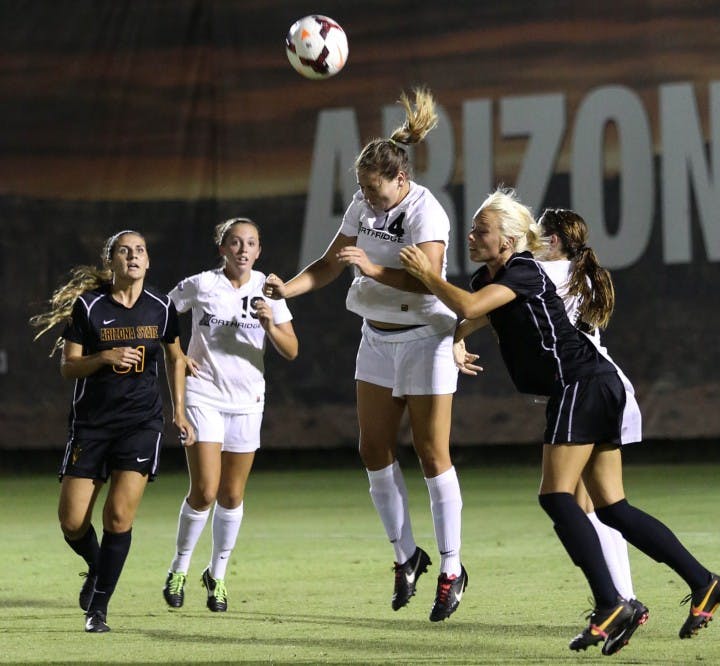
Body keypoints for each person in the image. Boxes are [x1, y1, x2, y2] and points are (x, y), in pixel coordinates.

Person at [400, 189, 720, 655]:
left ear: (511, 239)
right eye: (473, 228)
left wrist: (425, 275)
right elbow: (472, 314)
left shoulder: (524, 270)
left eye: (481, 230)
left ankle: (611, 603)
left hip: (582, 385)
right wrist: (457, 337)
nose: (472, 236)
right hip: (592, 385)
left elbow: (472, 307)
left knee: (557, 496)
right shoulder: (491, 276)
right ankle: (704, 582)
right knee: (612, 508)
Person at [263, 87, 468, 622]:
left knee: (430, 452)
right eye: (363, 190)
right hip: (376, 337)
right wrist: (291, 290)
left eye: (376, 192)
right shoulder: (362, 201)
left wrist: (373, 269)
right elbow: (332, 263)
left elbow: (427, 282)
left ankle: (451, 567)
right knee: (373, 449)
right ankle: (407, 556)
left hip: (425, 336)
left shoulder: (427, 211)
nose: (368, 199)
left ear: (401, 180)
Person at [29, 230, 194, 633]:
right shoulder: (88, 306)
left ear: (148, 261)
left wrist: (180, 412)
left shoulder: (161, 307)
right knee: (71, 522)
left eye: (140, 251)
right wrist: (103, 357)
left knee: (118, 516)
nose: (133, 257)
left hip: (141, 424)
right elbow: (69, 366)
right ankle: (97, 565)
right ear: (111, 261)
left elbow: (176, 357)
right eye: (125, 251)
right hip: (91, 425)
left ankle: (98, 609)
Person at [162, 218, 298, 613]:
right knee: (205, 490)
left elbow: (291, 350)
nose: (242, 249)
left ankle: (217, 575)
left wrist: (271, 324)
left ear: (258, 251)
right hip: (204, 396)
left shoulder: (269, 291)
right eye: (235, 242)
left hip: (247, 402)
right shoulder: (202, 284)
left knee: (232, 494)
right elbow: (162, 314)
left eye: (250, 243)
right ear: (222, 248)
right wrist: (178, 355)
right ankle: (179, 568)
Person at [534, 208, 635, 604]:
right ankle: (618, 598)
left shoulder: (549, 275)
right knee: (588, 503)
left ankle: (621, 599)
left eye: (538, 235)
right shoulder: (582, 274)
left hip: (584, 388)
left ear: (554, 240)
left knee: (584, 502)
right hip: (599, 385)